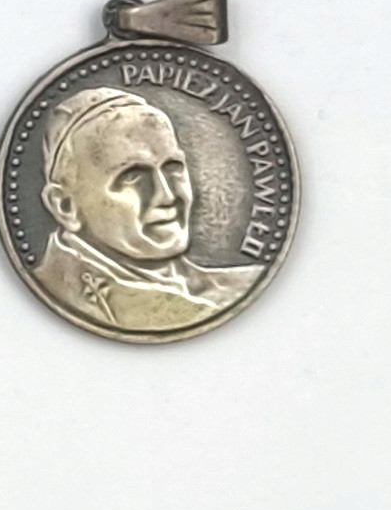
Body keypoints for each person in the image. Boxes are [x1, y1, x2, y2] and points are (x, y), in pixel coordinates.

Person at [31, 86, 263, 332]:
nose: (167, 196)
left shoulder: (246, 284)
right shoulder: (52, 297)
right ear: (65, 206)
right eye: (133, 176)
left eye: (173, 168)